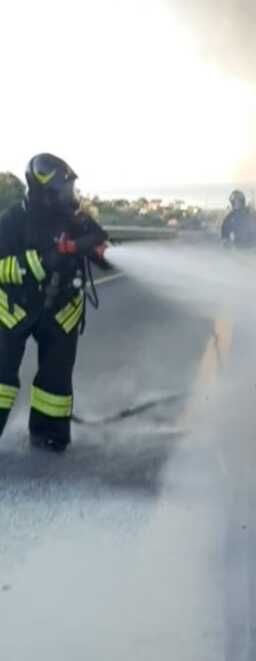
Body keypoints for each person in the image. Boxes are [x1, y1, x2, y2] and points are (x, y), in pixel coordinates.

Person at [0, 153, 109, 452]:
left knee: (55, 379)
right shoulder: (12, 221)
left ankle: (49, 437)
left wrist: (92, 247)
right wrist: (43, 261)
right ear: (44, 192)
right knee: (1, 375)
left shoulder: (75, 221)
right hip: (15, 309)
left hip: (62, 310)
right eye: (63, 191)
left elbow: (102, 247)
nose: (69, 197)